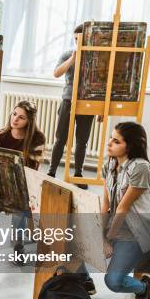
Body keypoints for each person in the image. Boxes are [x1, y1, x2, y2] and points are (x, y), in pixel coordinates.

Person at [102, 122, 150, 299]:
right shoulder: (110, 165)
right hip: (117, 225)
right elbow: (105, 203)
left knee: (113, 282)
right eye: (111, 138)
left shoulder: (141, 168)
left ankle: (143, 287)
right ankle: (82, 283)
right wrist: (99, 230)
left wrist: (108, 239)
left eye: (116, 141)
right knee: (70, 240)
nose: (109, 143)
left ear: (130, 146)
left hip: (137, 230)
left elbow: (122, 208)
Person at [0, 100, 46, 259]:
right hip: (0, 182)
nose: (15, 119)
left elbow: (31, 171)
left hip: (24, 185)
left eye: (21, 117)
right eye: (14, 114)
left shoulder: (37, 139)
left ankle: (18, 246)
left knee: (19, 210)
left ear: (29, 121)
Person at [47, 24, 100, 189]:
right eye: (75, 39)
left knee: (82, 141)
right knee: (60, 138)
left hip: (88, 103)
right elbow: (56, 73)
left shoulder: (97, 57)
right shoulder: (67, 54)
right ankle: (51, 171)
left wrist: (101, 109)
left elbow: (101, 84)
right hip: (68, 101)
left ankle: (78, 174)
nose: (78, 42)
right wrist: (72, 59)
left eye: (81, 39)